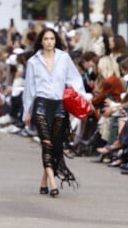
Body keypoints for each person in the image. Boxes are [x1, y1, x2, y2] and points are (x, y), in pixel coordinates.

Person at [23, 27, 86, 197]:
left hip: (59, 104)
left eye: (52, 38)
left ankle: (43, 181)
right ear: (41, 42)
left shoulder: (64, 58)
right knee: (46, 143)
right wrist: (27, 111)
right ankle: (52, 181)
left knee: (55, 144)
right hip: (41, 104)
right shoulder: (33, 62)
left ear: (56, 40)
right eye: (46, 39)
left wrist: (77, 102)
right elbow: (29, 88)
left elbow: (74, 80)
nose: (49, 42)